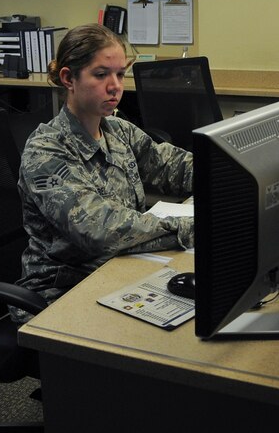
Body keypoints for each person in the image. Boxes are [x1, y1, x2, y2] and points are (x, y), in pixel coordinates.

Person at [14, 23, 193, 312]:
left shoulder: (117, 130)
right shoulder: (45, 151)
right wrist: (194, 228)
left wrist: (232, 174)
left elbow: (171, 165)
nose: (116, 86)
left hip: (118, 268)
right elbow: (101, 229)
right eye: (101, 75)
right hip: (62, 291)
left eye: (120, 74)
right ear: (68, 78)